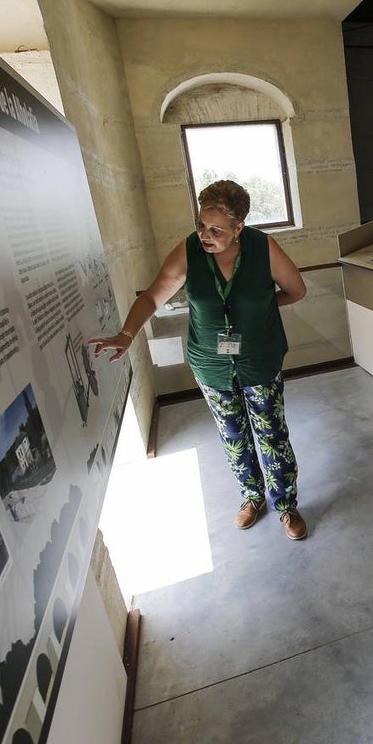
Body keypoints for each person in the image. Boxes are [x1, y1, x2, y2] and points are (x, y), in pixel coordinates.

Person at [90, 180, 309, 540]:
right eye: (201, 225)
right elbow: (151, 298)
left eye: (216, 230)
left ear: (239, 228)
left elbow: (296, 290)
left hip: (259, 359)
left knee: (272, 434)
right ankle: (253, 498)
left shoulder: (262, 248)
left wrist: (260, 313)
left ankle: (285, 505)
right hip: (211, 363)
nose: (205, 235)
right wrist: (127, 334)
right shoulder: (188, 252)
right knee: (233, 435)